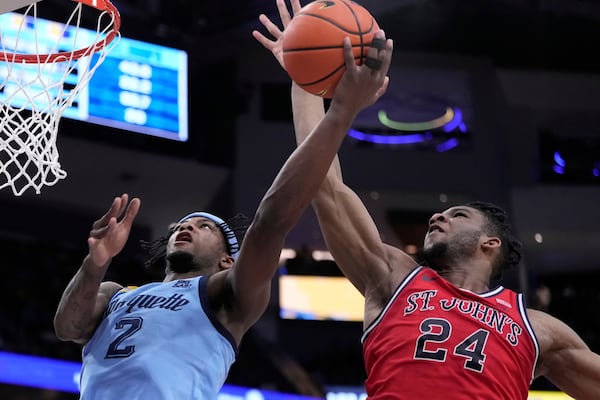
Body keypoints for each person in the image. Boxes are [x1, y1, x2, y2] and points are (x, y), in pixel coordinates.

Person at [254, 1, 600, 399]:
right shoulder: (392, 278)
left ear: (491, 243)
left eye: (458, 215)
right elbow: (325, 186)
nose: (439, 215)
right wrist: (307, 79)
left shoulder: (537, 328)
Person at [53, 24, 393, 400]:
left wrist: (338, 111)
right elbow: (68, 327)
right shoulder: (115, 293)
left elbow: (272, 219)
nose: (186, 227)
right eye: (182, 224)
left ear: (228, 260)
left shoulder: (224, 293)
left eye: (203, 226)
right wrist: (94, 263)